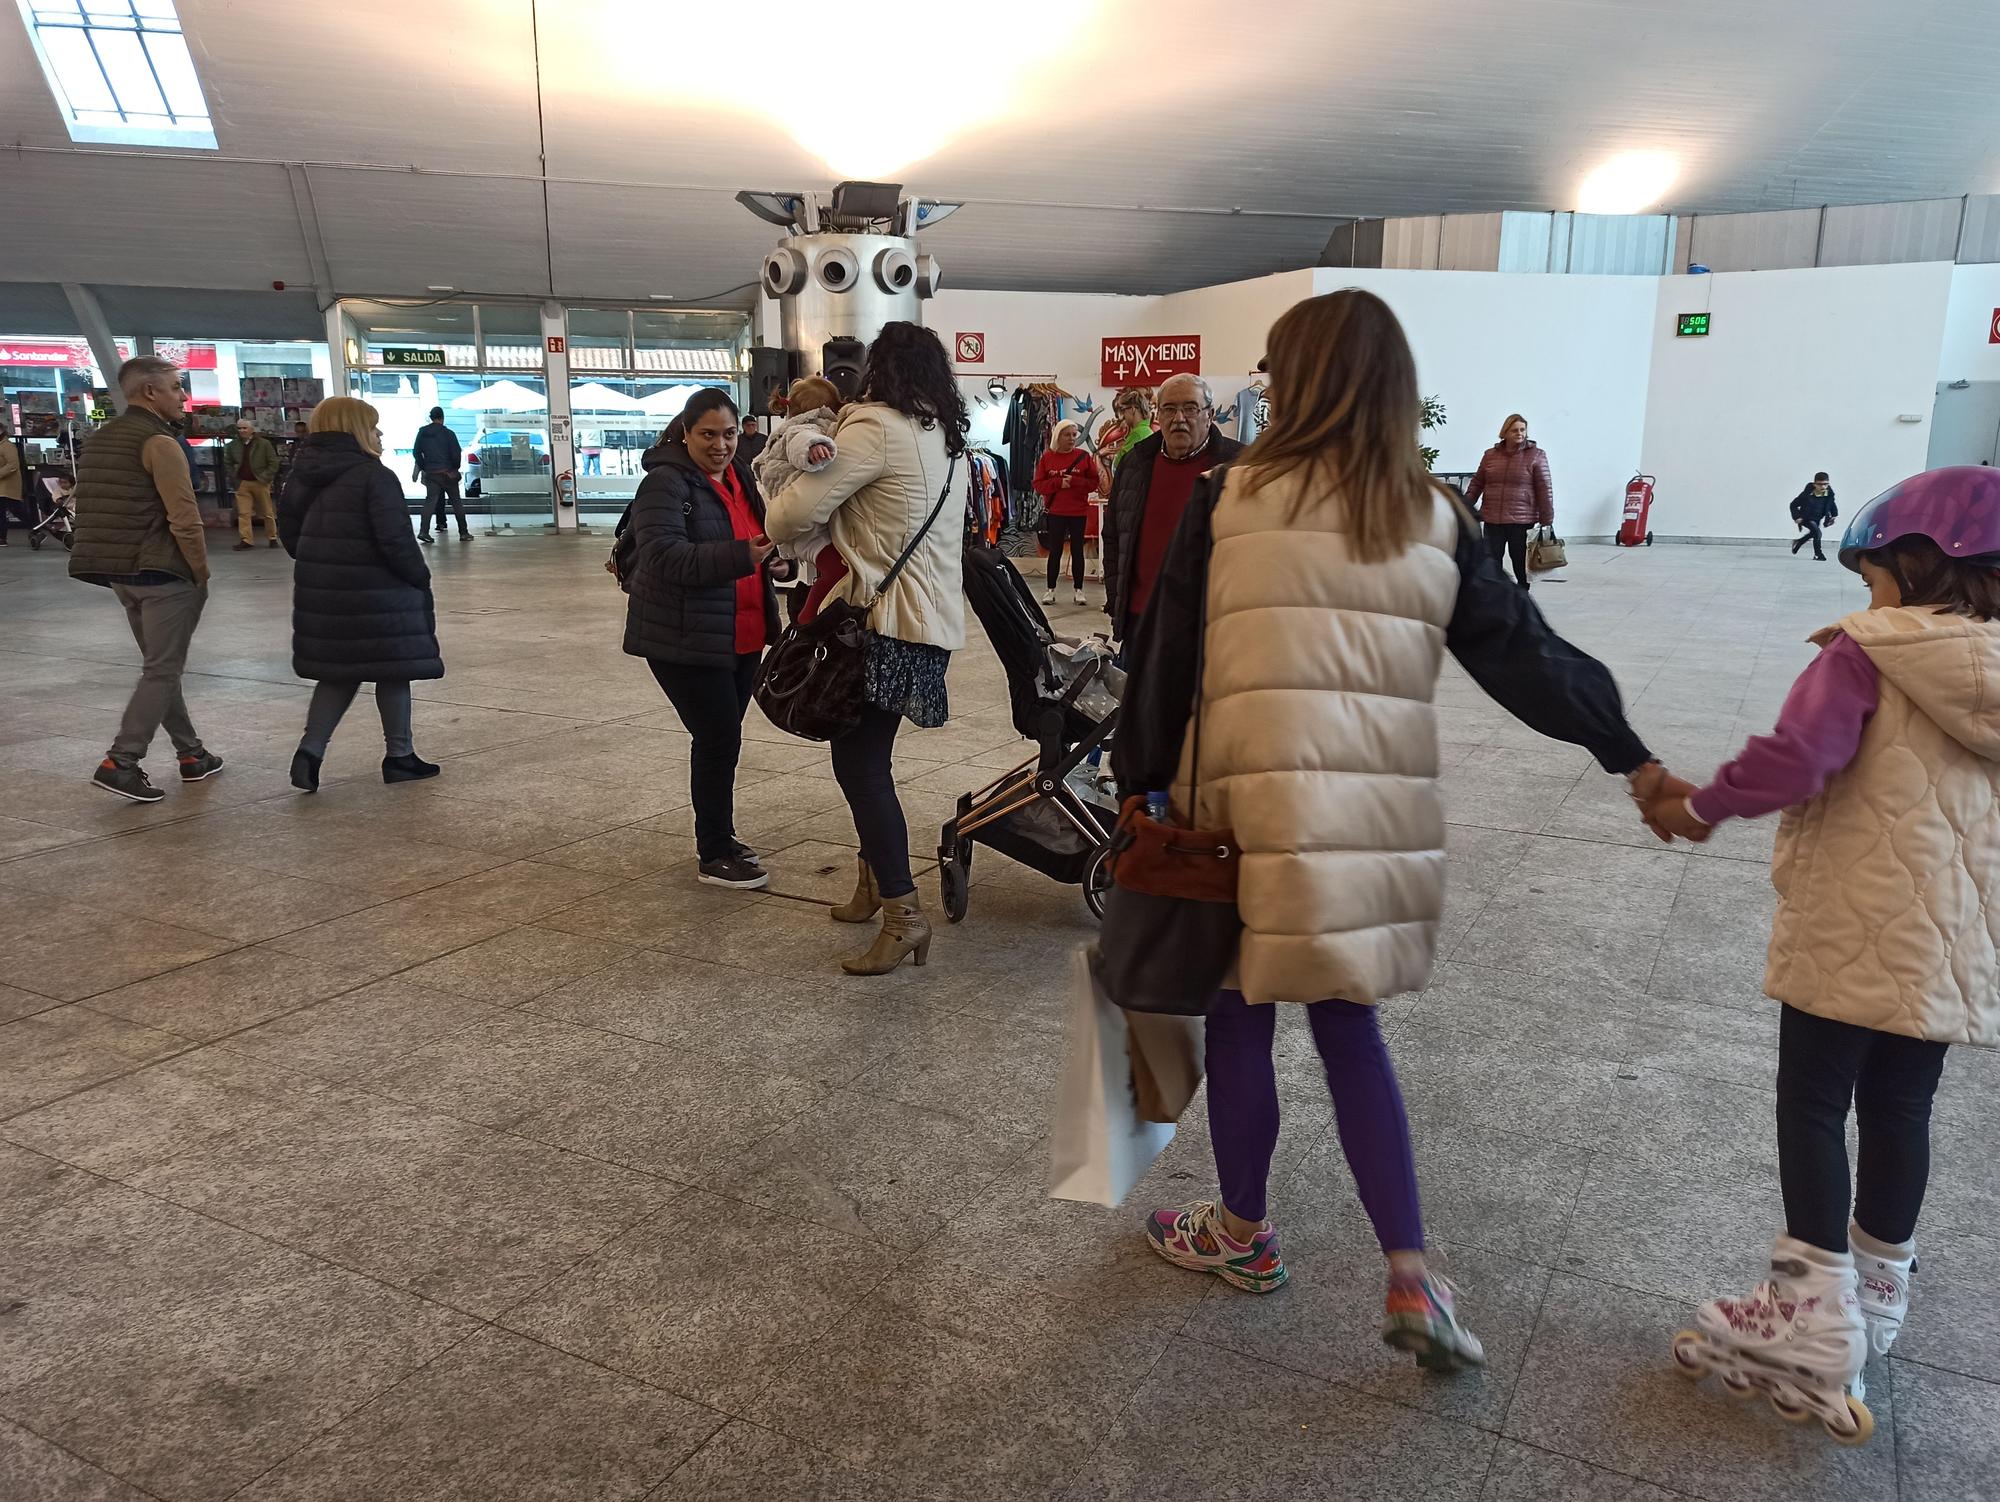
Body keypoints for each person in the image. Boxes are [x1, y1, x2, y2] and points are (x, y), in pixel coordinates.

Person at [1115, 289, 1663, 1370]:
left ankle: (1241, 1232)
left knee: (1236, 1020)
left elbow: (1164, 656)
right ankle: (1411, 1273)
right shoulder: (1435, 515)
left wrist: (1138, 780)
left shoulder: (1231, 494)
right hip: (1370, 823)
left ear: (1298, 381)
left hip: (1234, 806)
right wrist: (1629, 755)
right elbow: (1524, 656)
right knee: (1346, 1028)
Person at [1641, 467, 1999, 1435]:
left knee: (1810, 1100)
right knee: (1900, 1102)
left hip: (1855, 912)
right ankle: (1876, 1294)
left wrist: (1699, 803)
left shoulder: (1864, 652)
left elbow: (1797, 756)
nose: (1862, 590)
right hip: (1954, 931)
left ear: (1909, 563)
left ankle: (1805, 1313)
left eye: (1870, 569)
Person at [767, 322, 968, 975]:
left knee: (861, 767)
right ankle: (873, 884)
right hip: (927, 626)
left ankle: (904, 916)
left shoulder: (875, 428)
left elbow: (790, 519)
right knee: (865, 759)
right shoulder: (947, 437)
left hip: (879, 624)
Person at [622, 388, 781, 890]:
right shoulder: (665, 485)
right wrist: (744, 556)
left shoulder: (740, 478)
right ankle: (713, 852)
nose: (720, 445)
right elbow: (664, 558)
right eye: (708, 434)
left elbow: (760, 544)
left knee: (721, 742)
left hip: (742, 634)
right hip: (685, 638)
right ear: (685, 433)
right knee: (717, 739)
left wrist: (777, 561)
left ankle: (722, 837)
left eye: (729, 433)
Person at [67, 356, 223, 802]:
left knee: (160, 666)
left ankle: (192, 754)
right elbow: (184, 516)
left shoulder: (100, 440)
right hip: (162, 573)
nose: (183, 396)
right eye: (176, 387)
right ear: (150, 392)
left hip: (121, 573)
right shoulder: (159, 442)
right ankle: (122, 761)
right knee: (162, 669)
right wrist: (199, 570)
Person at [278, 397, 443, 791]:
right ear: (355, 431)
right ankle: (399, 755)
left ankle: (310, 751)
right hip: (380, 593)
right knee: (394, 670)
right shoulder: (374, 476)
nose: (380, 434)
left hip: (325, 595)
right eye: (373, 426)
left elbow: (290, 536)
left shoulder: (300, 476)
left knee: (338, 673)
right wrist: (419, 577)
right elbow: (395, 541)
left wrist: (326, 560)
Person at [1103, 373, 1244, 645]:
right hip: (1140, 621)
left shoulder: (1241, 465)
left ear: (1209, 414)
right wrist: (1116, 599)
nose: (1179, 418)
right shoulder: (1136, 463)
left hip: (1211, 627)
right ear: (1158, 413)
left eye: (1190, 408)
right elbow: (1113, 535)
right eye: (1169, 409)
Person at [752, 376, 844, 625]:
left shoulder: (796, 427)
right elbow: (801, 442)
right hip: (806, 527)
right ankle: (807, 620)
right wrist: (814, 448)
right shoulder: (803, 429)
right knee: (838, 570)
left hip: (803, 522)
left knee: (833, 569)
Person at [1463, 414, 1553, 589]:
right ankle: (1495, 592)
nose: (1519, 433)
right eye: (1515, 430)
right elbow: (1477, 482)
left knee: (1519, 559)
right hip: (1492, 517)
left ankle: (1522, 592)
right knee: (1491, 559)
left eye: (1522, 430)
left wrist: (1547, 519)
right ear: (1504, 433)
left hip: (1521, 520)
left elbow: (1545, 489)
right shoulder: (1490, 455)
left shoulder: (1537, 455)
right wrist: (1464, 505)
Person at [1033, 419, 1102, 606]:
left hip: (1078, 512)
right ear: (1058, 436)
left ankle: (1079, 590)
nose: (1072, 438)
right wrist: (1058, 483)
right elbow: (1038, 485)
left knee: (1077, 551)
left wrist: (1075, 482)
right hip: (1056, 512)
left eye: (1074, 435)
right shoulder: (1047, 458)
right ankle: (1050, 590)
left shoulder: (1083, 456)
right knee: (1054, 551)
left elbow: (1094, 483)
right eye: (1067, 435)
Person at [412, 406, 468, 543]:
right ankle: (463, 533)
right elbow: (456, 454)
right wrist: (454, 468)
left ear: (431, 418)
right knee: (456, 502)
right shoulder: (448, 433)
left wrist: (425, 466)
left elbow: (416, 452)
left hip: (431, 473)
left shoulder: (422, 432)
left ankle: (423, 532)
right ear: (442, 418)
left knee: (430, 502)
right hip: (448, 473)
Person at [224, 417, 280, 551]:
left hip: (260, 481)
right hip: (242, 482)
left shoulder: (264, 444)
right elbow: (228, 462)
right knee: (243, 513)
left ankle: (272, 537)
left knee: (267, 512)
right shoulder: (232, 445)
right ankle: (246, 539)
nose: (242, 431)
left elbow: (273, 462)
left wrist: (266, 477)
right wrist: (234, 476)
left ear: (252, 429)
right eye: (239, 428)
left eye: (244, 428)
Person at [1790, 470, 1838, 559]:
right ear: (1814, 484)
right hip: (1806, 518)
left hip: (1817, 518)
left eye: (1825, 484)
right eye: (1820, 484)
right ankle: (1818, 554)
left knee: (1815, 533)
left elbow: (1831, 505)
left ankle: (1798, 542)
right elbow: (1793, 505)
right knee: (1817, 533)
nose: (1823, 486)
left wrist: (1834, 516)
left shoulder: (1829, 495)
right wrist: (1797, 517)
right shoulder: (1806, 494)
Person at [0, 416, 26, 544]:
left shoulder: (7, 446)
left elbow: (13, 465)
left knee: (16, 509)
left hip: (8, 485)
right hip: (2, 486)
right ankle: (2, 538)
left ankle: (39, 527)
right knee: (2, 512)